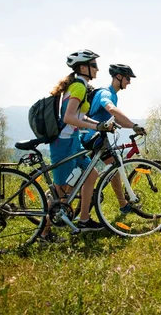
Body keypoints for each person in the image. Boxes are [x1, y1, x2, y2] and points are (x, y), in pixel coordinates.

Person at [40, 49, 114, 242]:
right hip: (64, 143)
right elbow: (68, 117)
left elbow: (79, 116)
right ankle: (44, 233)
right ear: (83, 67)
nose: (98, 69)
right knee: (60, 190)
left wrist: (98, 125)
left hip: (73, 140)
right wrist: (96, 125)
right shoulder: (79, 87)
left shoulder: (79, 85)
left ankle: (84, 220)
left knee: (92, 174)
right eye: (94, 65)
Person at [82, 63, 146, 214]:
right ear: (118, 77)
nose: (129, 82)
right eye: (128, 78)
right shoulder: (106, 93)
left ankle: (122, 204)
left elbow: (116, 119)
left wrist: (132, 126)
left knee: (113, 168)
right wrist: (133, 124)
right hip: (92, 137)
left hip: (96, 137)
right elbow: (111, 109)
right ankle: (122, 204)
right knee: (113, 167)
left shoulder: (113, 94)